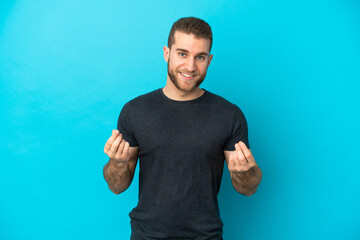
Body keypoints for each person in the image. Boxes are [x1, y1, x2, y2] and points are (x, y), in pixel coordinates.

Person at [103, 17, 262, 240]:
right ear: (166, 53)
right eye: (182, 54)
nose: (190, 67)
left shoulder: (230, 115)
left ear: (210, 59)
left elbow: (248, 188)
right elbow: (117, 186)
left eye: (200, 57)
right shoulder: (134, 111)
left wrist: (245, 172)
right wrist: (117, 162)